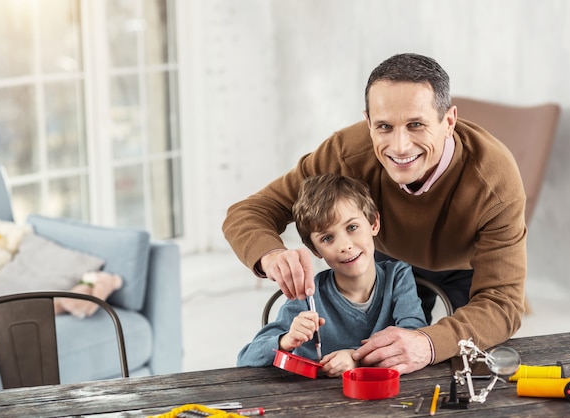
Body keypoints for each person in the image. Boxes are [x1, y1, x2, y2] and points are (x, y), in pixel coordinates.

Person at [223, 52, 527, 374]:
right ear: (368, 122)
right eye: (384, 126)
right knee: (376, 367)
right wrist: (271, 254)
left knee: (470, 371)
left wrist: (428, 342)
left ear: (448, 121)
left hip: (465, 268)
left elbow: (502, 301)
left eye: (416, 125)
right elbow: (249, 212)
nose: (399, 147)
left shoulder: (495, 181)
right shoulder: (346, 152)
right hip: (383, 258)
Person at [237, 174, 427, 377]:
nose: (345, 246)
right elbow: (246, 359)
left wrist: (356, 357)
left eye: (352, 227)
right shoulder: (309, 294)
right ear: (315, 250)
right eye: (327, 238)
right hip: (317, 401)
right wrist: (286, 340)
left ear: (373, 223)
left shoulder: (398, 276)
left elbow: (412, 336)